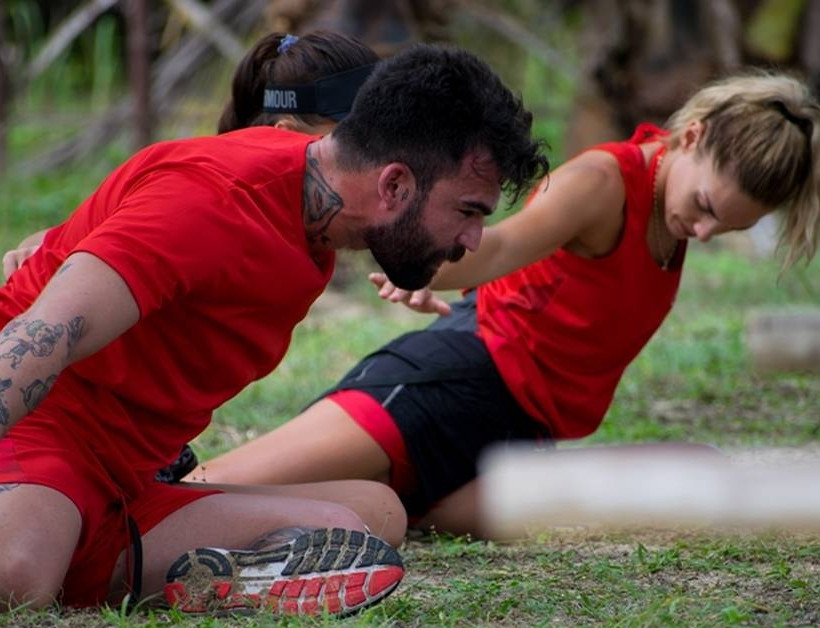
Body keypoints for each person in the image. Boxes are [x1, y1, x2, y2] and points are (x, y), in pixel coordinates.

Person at [0, 32, 549, 616]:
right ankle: (86, 551)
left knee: (367, 517)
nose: (472, 240)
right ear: (393, 185)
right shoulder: (213, 197)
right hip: (44, 426)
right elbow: (44, 335)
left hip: (128, 477)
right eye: (468, 212)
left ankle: (100, 547)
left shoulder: (318, 231)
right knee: (17, 577)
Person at [183, 71, 820, 537]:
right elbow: (504, 242)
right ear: (693, 137)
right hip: (452, 381)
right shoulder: (603, 184)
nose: (703, 234)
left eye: (726, 229)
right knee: (201, 493)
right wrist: (425, 260)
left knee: (697, 472)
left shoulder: (669, 209)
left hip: (520, 437)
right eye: (706, 208)